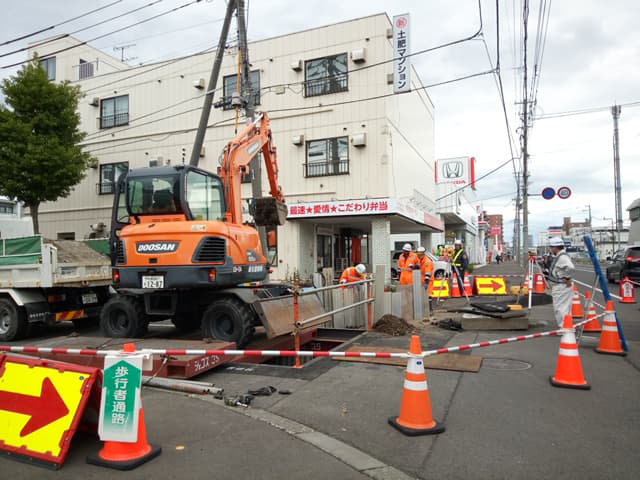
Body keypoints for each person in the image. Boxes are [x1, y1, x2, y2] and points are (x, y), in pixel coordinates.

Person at [547, 236, 575, 328]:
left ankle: (564, 328)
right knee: (565, 308)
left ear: (555, 247)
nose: (551, 249)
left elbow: (570, 267)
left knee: (560, 308)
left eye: (551, 247)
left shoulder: (562, 257)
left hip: (561, 286)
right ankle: (567, 326)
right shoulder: (561, 255)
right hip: (561, 286)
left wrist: (566, 277)